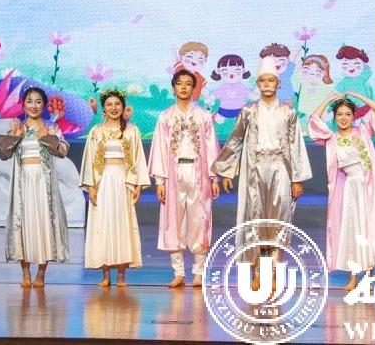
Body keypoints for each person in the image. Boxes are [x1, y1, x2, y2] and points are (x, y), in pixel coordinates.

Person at [213, 56, 312, 288]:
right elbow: (236, 140)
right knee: (255, 220)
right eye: (263, 80)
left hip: (280, 170)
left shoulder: (288, 112)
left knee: (278, 221)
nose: (267, 84)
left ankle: (274, 272)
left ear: (279, 83)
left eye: (271, 80)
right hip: (255, 170)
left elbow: (296, 145)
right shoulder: (249, 111)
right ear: (257, 84)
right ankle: (258, 271)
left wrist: (297, 178)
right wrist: (227, 171)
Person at [307, 91, 375, 292]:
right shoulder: (332, 139)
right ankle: (353, 277)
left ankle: (369, 277)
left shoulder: (363, 131)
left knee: (370, 229)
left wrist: (357, 95)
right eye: (339, 114)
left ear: (354, 116)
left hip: (369, 187)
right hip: (350, 187)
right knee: (352, 230)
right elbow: (313, 121)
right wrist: (329, 99)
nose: (344, 118)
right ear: (334, 117)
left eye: (348, 114)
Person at [0, 87, 72, 288]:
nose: (33, 105)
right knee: (23, 224)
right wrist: (13, 137)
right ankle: (26, 273)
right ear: (23, 105)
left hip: (43, 183)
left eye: (38, 101)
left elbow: (62, 151)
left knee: (45, 224)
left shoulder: (51, 128)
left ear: (44, 105)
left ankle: (41, 274)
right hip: (24, 183)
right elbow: (4, 155)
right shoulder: (18, 128)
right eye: (29, 101)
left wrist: (48, 137)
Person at [150, 70, 220, 288]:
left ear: (193, 88)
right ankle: (178, 272)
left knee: (200, 219)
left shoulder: (203, 116)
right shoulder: (165, 117)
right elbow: (160, 148)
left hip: (199, 173)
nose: (183, 87)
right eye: (179, 83)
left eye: (188, 84)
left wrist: (214, 177)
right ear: (173, 87)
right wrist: (160, 181)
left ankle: (199, 271)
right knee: (173, 221)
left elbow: (211, 147)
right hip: (174, 173)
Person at [80, 88, 150, 287]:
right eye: (109, 105)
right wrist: (91, 186)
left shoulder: (132, 131)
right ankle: (105, 274)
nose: (113, 108)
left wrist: (138, 185)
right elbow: (89, 161)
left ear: (123, 107)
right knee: (103, 224)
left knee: (122, 225)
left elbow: (138, 159)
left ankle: (121, 274)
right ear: (103, 109)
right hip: (102, 182)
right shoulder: (96, 132)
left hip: (123, 181)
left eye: (117, 104)